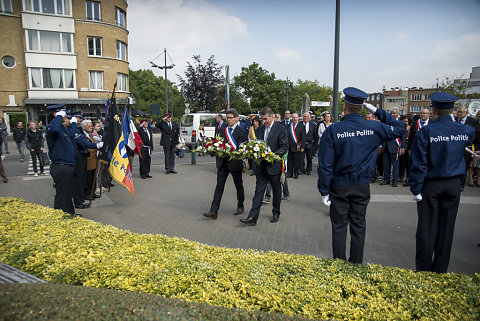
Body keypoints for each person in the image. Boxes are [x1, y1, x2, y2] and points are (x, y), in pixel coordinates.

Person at [317, 87, 405, 264]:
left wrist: (324, 191)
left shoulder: (333, 130)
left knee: (339, 227)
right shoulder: (373, 126)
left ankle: (339, 265)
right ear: (363, 108)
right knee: (358, 226)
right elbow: (400, 127)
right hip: (361, 185)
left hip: (339, 186)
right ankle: (356, 264)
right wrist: (377, 111)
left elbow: (325, 165)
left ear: (344, 106)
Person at [409, 92, 475, 273]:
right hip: (454, 184)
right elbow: (471, 133)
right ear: (453, 110)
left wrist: (416, 188)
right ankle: (440, 270)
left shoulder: (426, 132)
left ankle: (423, 269)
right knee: (447, 229)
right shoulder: (464, 131)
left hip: (431, 184)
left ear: (434, 109)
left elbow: (419, 164)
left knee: (426, 228)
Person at [240, 107, 288, 225]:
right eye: (262, 119)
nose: (263, 121)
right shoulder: (260, 129)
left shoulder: (280, 129)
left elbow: (284, 147)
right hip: (261, 166)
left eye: (265, 119)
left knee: (276, 191)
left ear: (272, 116)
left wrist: (272, 155)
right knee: (258, 192)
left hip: (274, 166)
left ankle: (276, 212)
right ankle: (252, 217)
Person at [203, 109, 248, 220]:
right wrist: (212, 149)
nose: (229, 119)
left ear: (236, 118)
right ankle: (214, 211)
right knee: (219, 186)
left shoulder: (241, 132)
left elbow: (241, 150)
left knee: (238, 186)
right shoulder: (223, 130)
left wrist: (226, 154)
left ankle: (240, 206)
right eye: (227, 117)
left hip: (235, 163)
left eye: (231, 117)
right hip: (223, 163)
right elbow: (218, 143)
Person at [45, 105, 77, 216]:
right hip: (61, 166)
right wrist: (58, 116)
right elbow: (54, 128)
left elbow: (73, 134)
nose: (67, 117)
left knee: (68, 194)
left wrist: (73, 123)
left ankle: (70, 214)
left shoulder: (63, 129)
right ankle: (59, 218)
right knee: (62, 195)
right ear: (56, 114)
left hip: (68, 166)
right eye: (65, 115)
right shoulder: (51, 128)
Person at [70, 114, 101, 209]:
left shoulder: (89, 134)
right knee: (82, 180)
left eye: (92, 126)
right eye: (89, 126)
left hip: (91, 159)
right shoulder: (80, 133)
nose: (91, 128)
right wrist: (96, 146)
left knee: (91, 178)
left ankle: (89, 193)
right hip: (84, 159)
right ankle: (82, 198)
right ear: (83, 127)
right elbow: (84, 143)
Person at [455, 106, 480, 190]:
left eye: (461, 112)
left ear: (466, 113)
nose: (459, 113)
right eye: (458, 112)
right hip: (456, 148)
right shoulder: (454, 120)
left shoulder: (472, 121)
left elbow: (477, 134)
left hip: (467, 148)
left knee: (464, 166)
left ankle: (461, 184)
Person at [380, 107, 406, 187]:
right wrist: (381, 145)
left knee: (395, 165)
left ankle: (395, 181)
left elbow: (403, 137)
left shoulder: (401, 123)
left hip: (395, 147)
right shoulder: (386, 123)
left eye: (394, 113)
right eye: (391, 113)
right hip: (386, 146)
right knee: (386, 165)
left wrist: (403, 147)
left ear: (398, 114)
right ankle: (386, 179)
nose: (392, 114)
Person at [286, 113, 304, 179]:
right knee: (289, 161)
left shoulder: (301, 126)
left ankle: (296, 174)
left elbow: (303, 137)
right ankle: (290, 173)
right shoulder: (288, 126)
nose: (294, 119)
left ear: (298, 118)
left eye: (296, 117)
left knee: (296, 161)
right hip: (290, 146)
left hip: (297, 146)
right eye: (293, 117)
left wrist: (302, 147)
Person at [468, 110, 480, 186]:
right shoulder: (474, 123)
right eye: (479, 114)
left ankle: (479, 180)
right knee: (471, 164)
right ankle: (470, 179)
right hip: (473, 145)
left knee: (479, 165)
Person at [398, 115, 411, 185]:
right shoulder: (400, 128)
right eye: (404, 121)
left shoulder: (410, 128)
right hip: (401, 147)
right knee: (401, 163)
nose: (405, 123)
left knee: (408, 163)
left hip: (408, 147)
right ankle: (401, 175)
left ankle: (408, 177)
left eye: (406, 121)